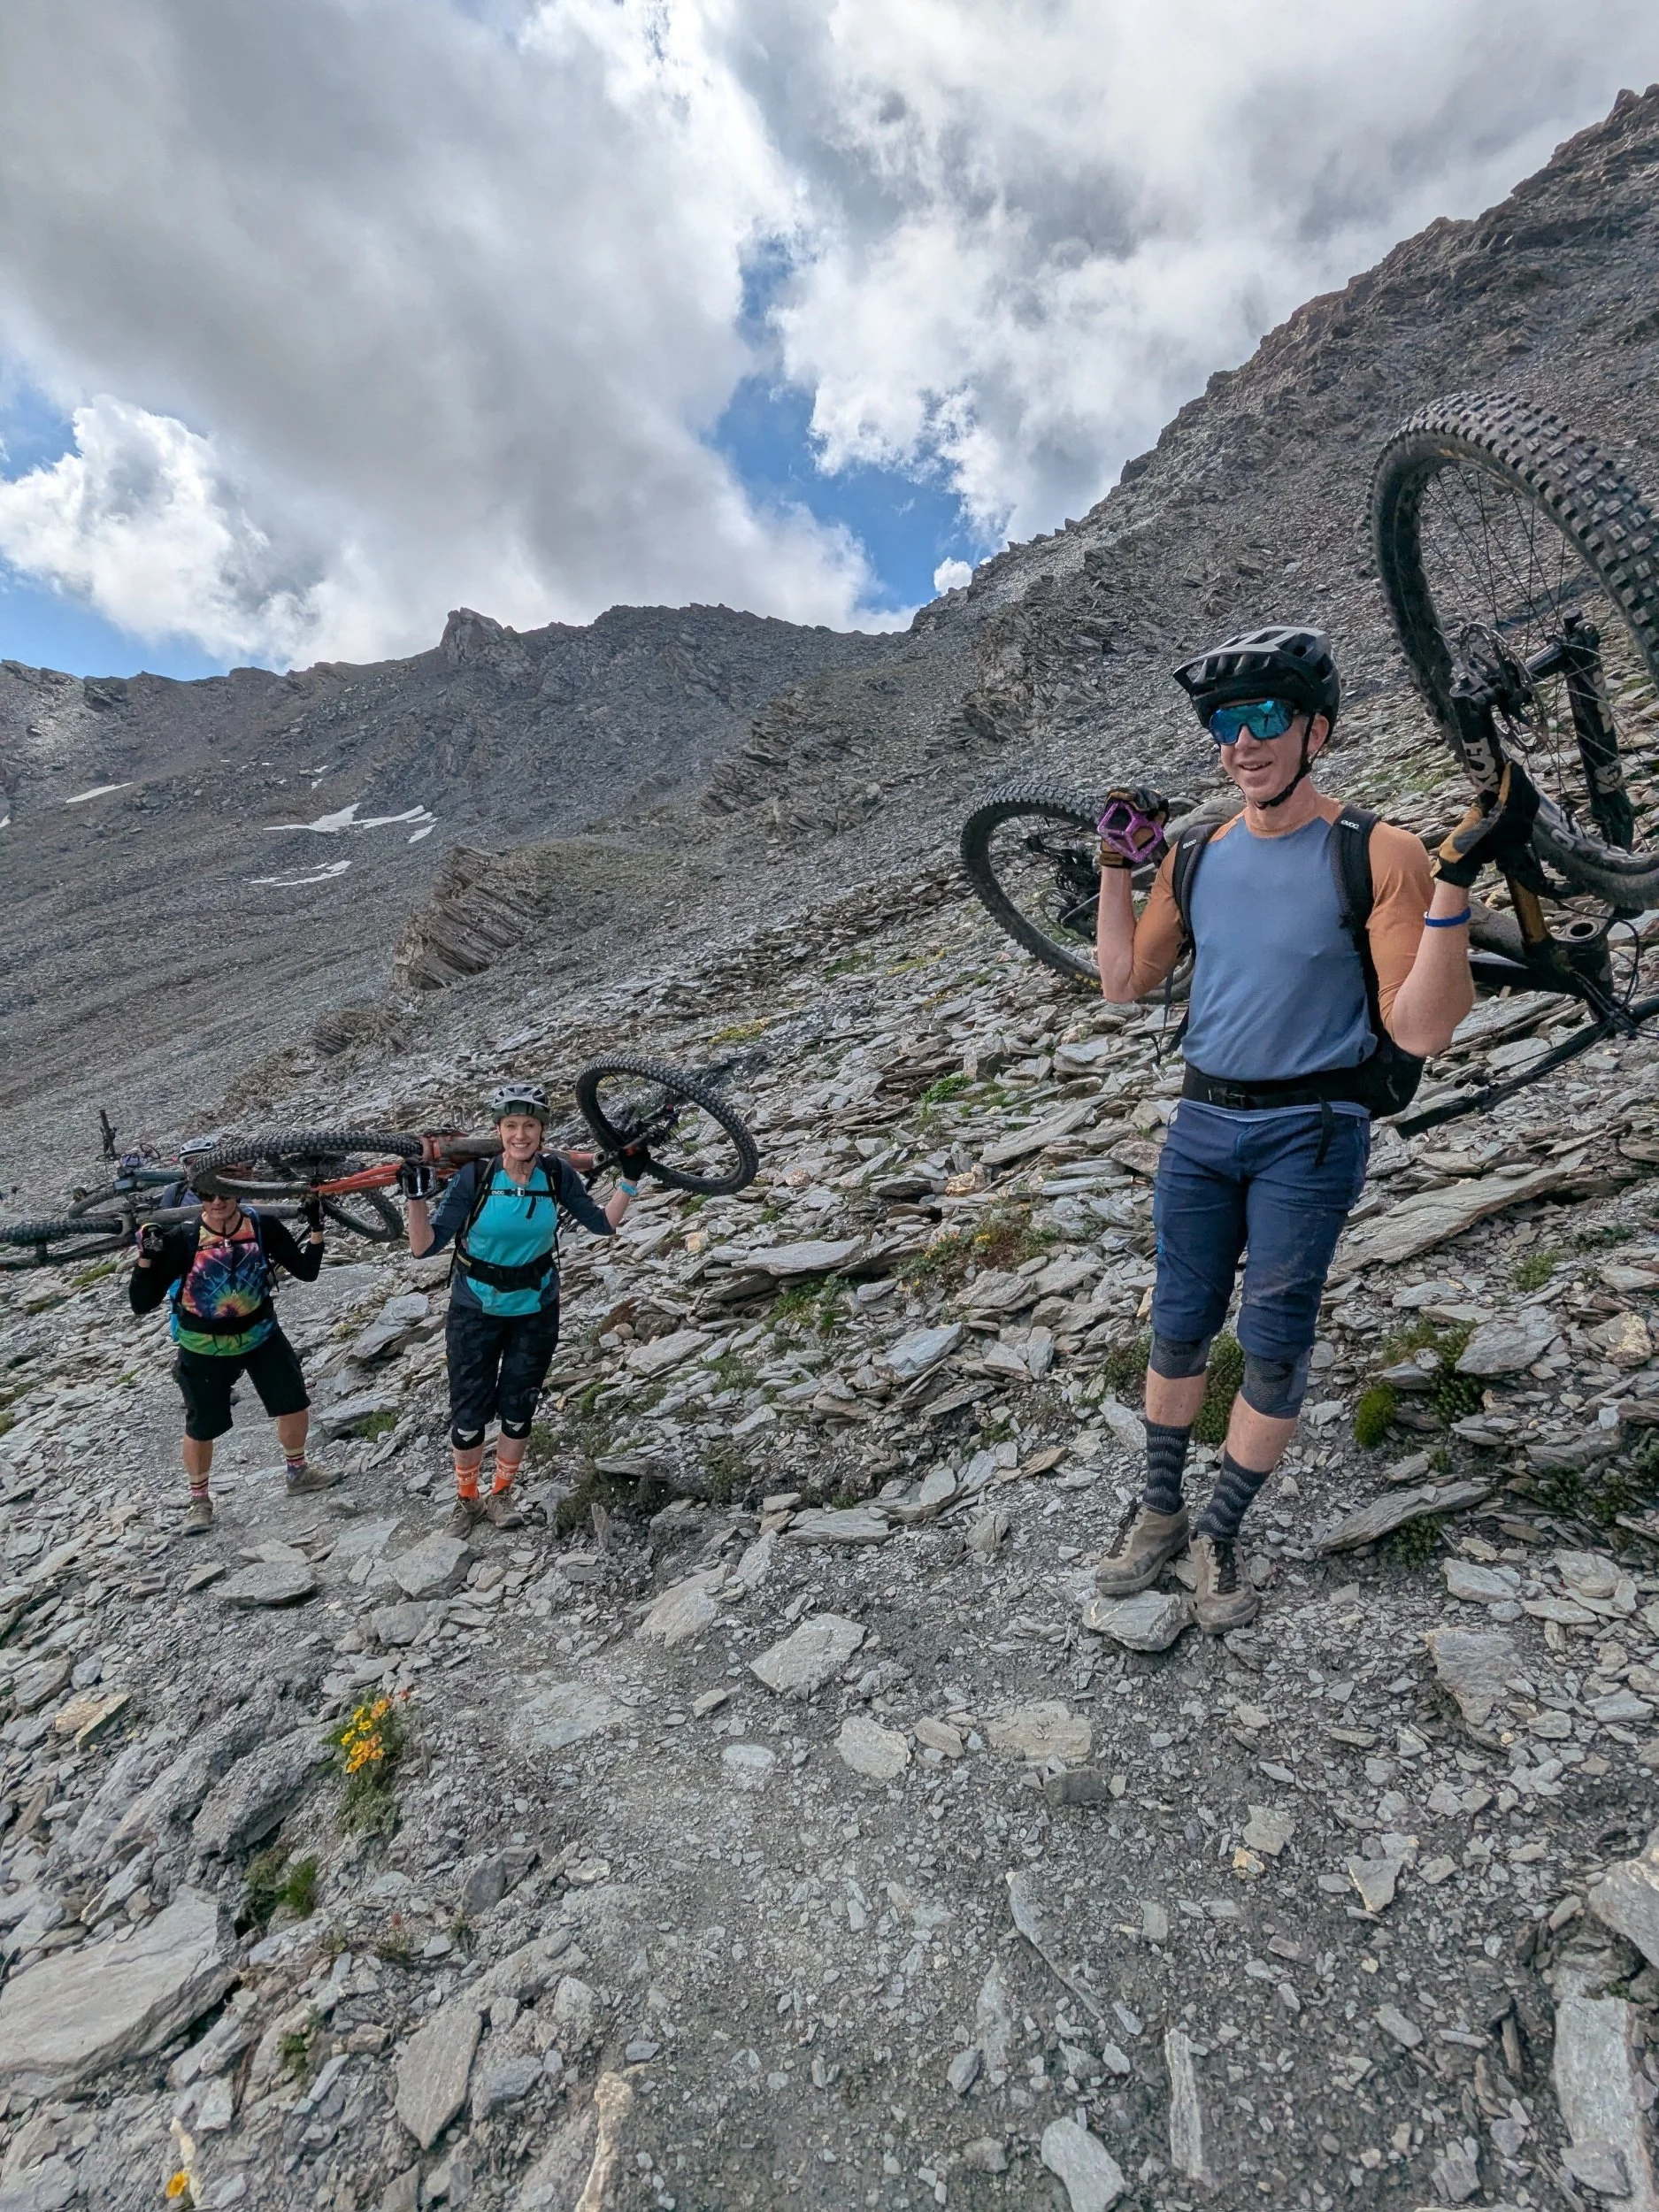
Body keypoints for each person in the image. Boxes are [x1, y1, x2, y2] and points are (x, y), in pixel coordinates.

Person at [1091, 624, 1534, 1630]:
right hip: (1202, 1122)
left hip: (1314, 1131)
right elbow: (1124, 983)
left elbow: (1419, 1026)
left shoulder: (1376, 850)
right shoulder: (1196, 855)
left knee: (1276, 1343)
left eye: (1263, 718)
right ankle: (1159, 1512)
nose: (1241, 741)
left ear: (1315, 731)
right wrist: (1116, 866)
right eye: (1223, 723)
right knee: (1177, 1325)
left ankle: (1222, 1532)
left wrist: (1454, 879)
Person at [403, 1082, 641, 1534]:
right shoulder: (475, 1177)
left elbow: (602, 1224)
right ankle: (467, 1499)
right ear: (498, 1130)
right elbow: (424, 1246)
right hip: (475, 1307)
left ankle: (502, 1494)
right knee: (470, 1413)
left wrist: (629, 1179)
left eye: (529, 1125)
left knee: (518, 1407)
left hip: (535, 1305)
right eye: (511, 1125)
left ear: (542, 1131)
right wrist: (415, 1199)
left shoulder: (555, 1175)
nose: (520, 1134)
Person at [131, 1184, 334, 1532]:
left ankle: (298, 1473)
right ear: (200, 1198)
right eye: (209, 1195)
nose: (217, 1201)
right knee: (202, 1424)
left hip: (260, 1334)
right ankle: (199, 1501)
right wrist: (146, 1258)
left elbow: (306, 1271)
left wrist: (316, 1230)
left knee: (293, 1403)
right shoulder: (184, 1237)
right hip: (203, 1344)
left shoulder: (261, 1226)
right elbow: (142, 1302)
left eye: (224, 1192)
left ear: (237, 1193)